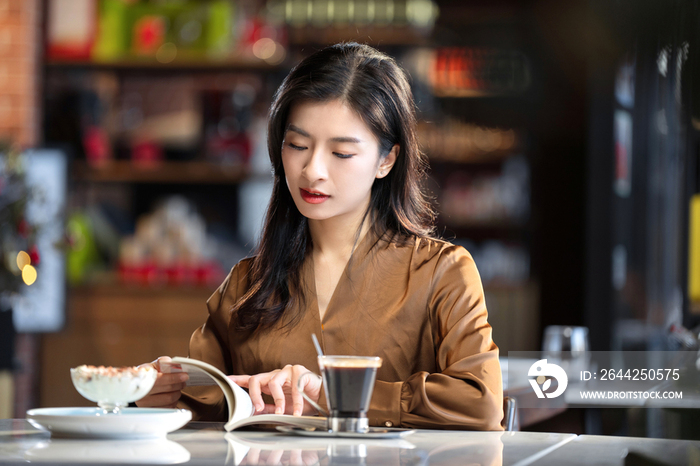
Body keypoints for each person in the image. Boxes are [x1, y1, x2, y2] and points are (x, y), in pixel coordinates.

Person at [137, 42, 503, 431]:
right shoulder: (248, 282)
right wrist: (153, 396)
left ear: (386, 159)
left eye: (341, 153)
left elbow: (480, 403)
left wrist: (327, 395)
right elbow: (207, 403)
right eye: (297, 145)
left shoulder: (441, 273)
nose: (313, 170)